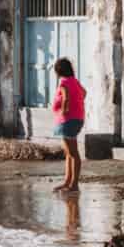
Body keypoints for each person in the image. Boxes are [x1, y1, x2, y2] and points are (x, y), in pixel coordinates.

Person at [49, 56, 86, 193]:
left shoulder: (63, 83)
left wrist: (64, 111)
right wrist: (78, 106)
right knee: (69, 153)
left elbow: (66, 98)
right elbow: (84, 93)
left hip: (68, 121)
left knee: (73, 153)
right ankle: (67, 182)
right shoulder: (74, 81)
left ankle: (74, 184)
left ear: (58, 72)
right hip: (76, 119)